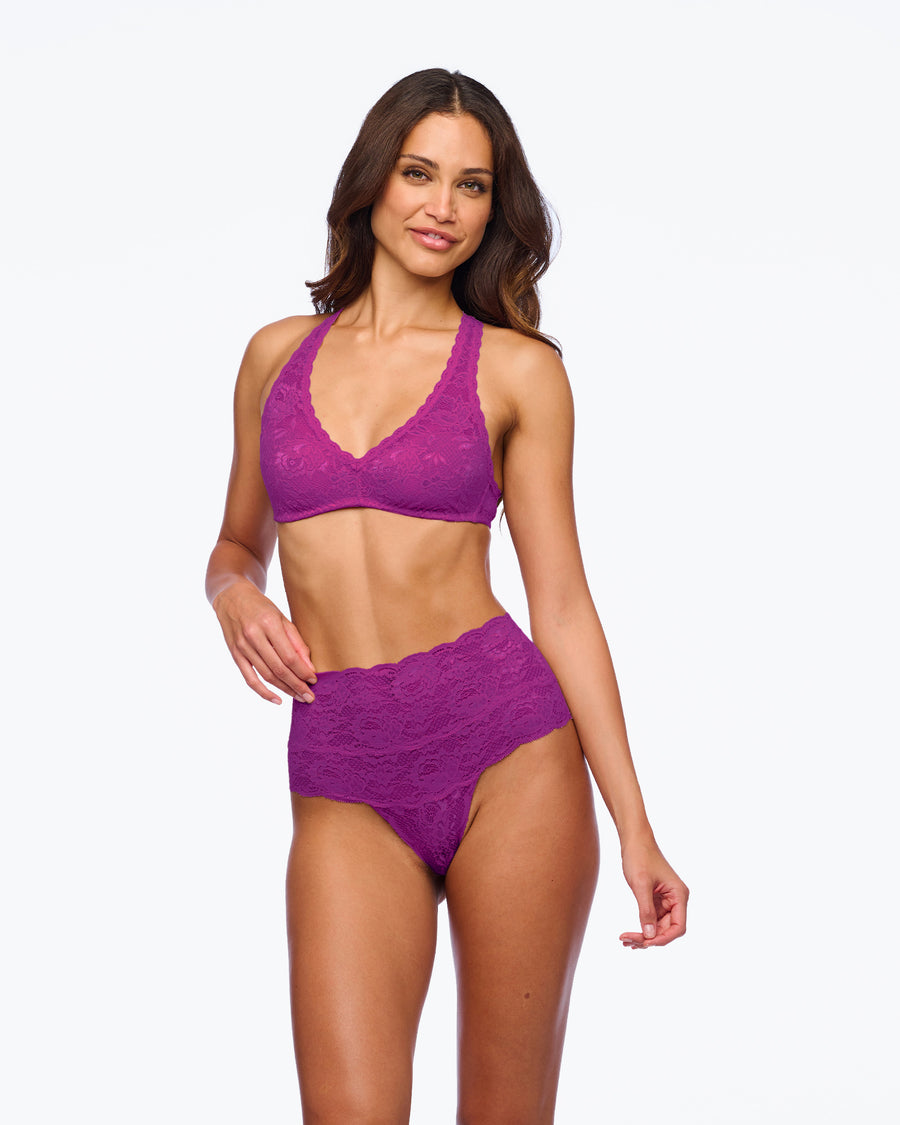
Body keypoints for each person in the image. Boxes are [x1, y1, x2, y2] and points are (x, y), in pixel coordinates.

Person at [206, 67, 688, 1123]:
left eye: (473, 186)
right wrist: (231, 592)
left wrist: (637, 828)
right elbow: (237, 543)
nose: (443, 207)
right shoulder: (274, 357)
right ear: (372, 182)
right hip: (342, 769)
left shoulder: (518, 372)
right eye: (419, 174)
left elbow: (563, 604)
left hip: (507, 754)